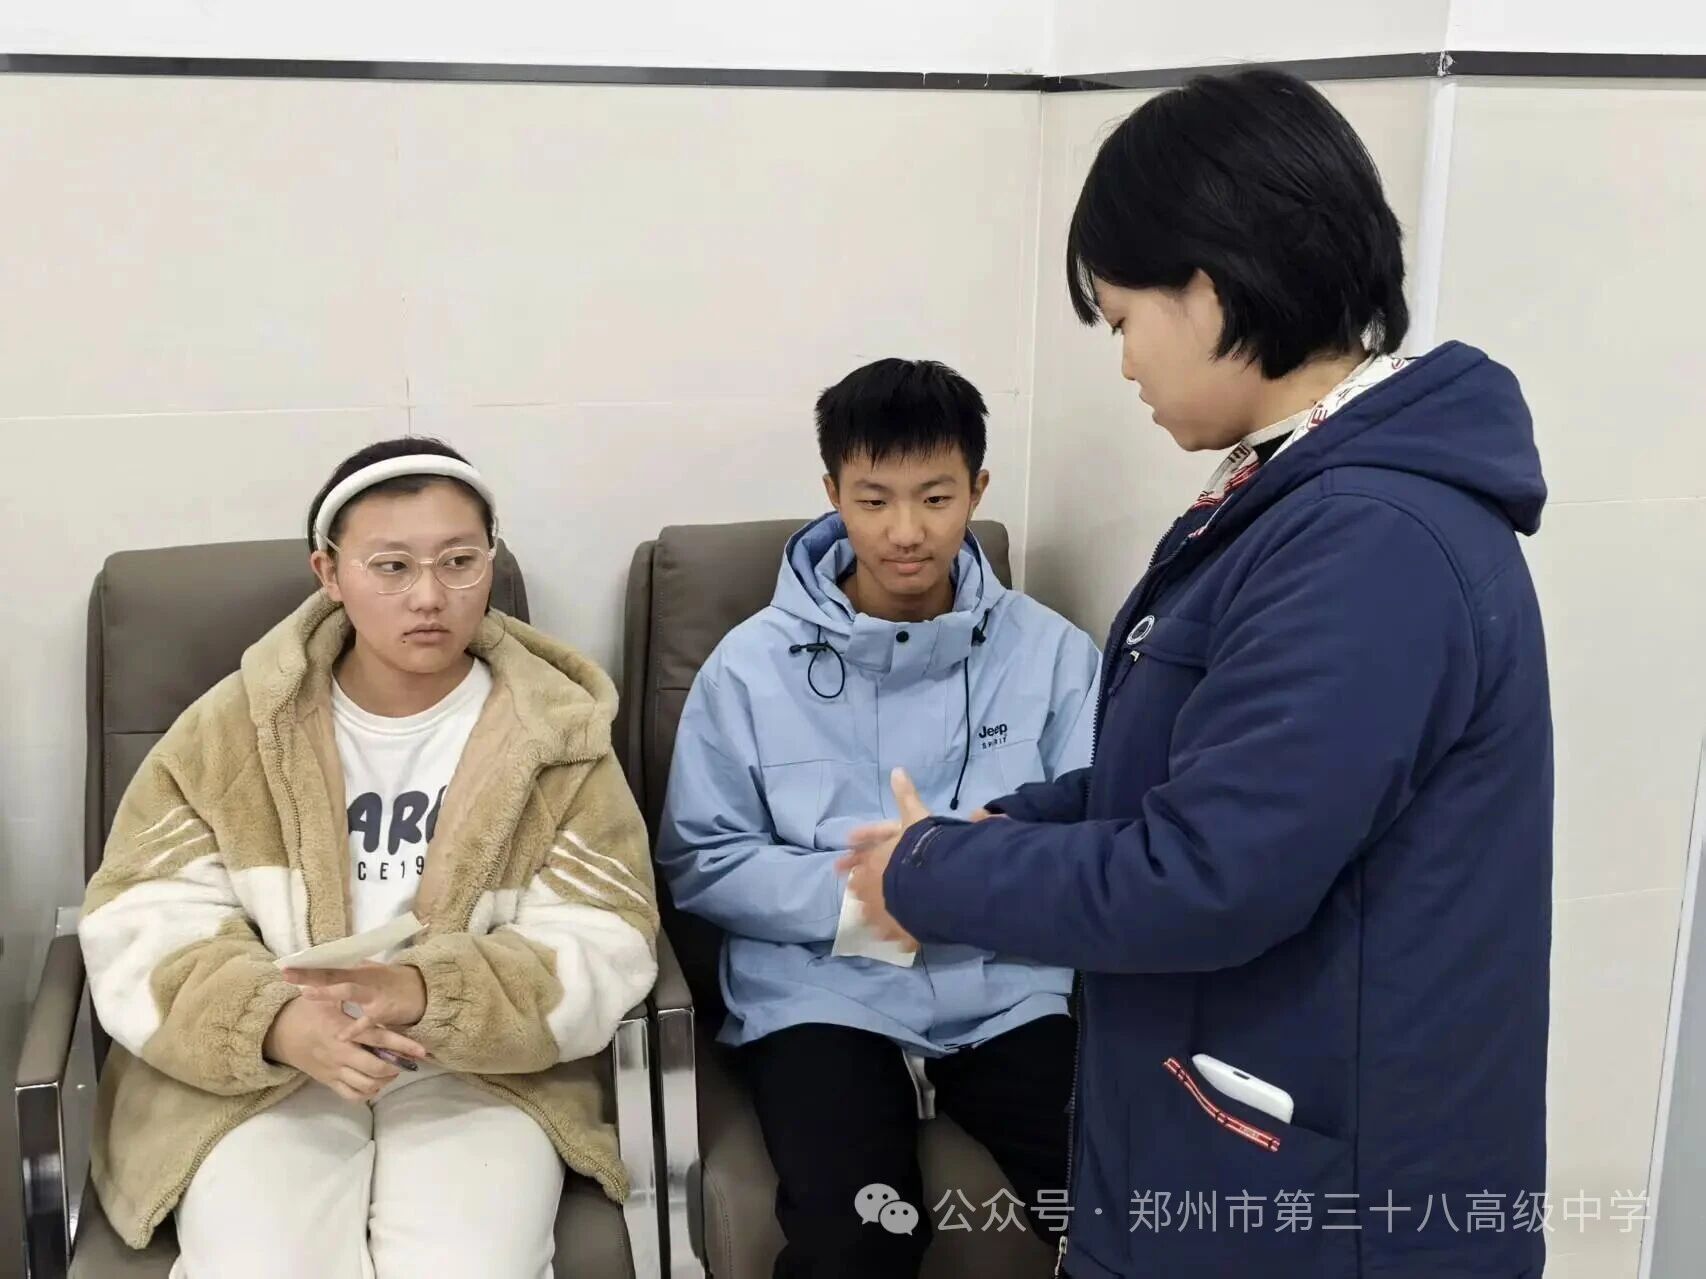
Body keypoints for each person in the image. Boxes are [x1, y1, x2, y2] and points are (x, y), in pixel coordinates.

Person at [843, 72, 1552, 1279]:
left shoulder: (1367, 542)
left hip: (1326, 1206)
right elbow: (1190, 769)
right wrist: (1013, 825)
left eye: (1122, 318)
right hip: (1217, 1139)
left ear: (1209, 291)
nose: (1123, 362)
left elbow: (1210, 874)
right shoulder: (1290, 498)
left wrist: (930, 872)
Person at [79, 438, 660, 1278]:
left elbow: (606, 934)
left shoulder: (556, 734)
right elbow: (142, 914)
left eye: (459, 561)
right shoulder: (230, 729)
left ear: (491, 562)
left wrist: (431, 993)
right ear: (330, 572)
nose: (429, 595)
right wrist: (275, 1021)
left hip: (478, 1066)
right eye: (391, 566)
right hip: (270, 1068)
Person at [657, 357, 1101, 1278]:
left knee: (1121, 1201)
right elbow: (702, 859)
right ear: (832, 495)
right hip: (819, 988)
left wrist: (958, 887)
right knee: (858, 1235)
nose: (906, 531)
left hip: (1008, 983)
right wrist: (869, 900)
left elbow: (1095, 832)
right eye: (874, 500)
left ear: (978, 489)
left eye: (936, 498)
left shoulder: (1054, 654)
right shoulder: (750, 666)